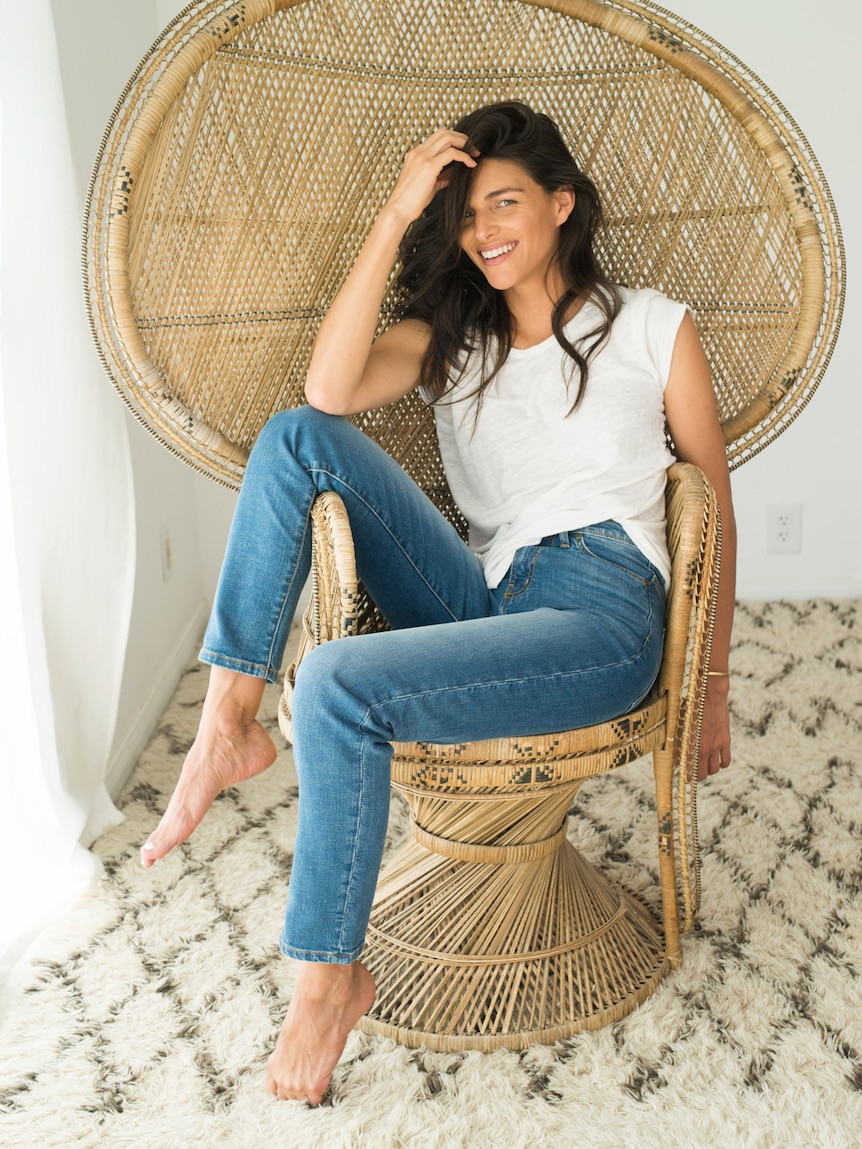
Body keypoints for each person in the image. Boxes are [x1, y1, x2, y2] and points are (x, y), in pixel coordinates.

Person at [139, 102, 736, 1104]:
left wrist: (708, 681)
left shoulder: (650, 328)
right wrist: (395, 214)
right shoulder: (450, 339)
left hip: (600, 614)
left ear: (562, 203)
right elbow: (329, 394)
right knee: (294, 434)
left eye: (503, 202)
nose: (483, 229)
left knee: (333, 682)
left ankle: (325, 978)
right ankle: (227, 721)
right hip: (485, 599)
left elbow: (709, 510)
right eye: (462, 214)